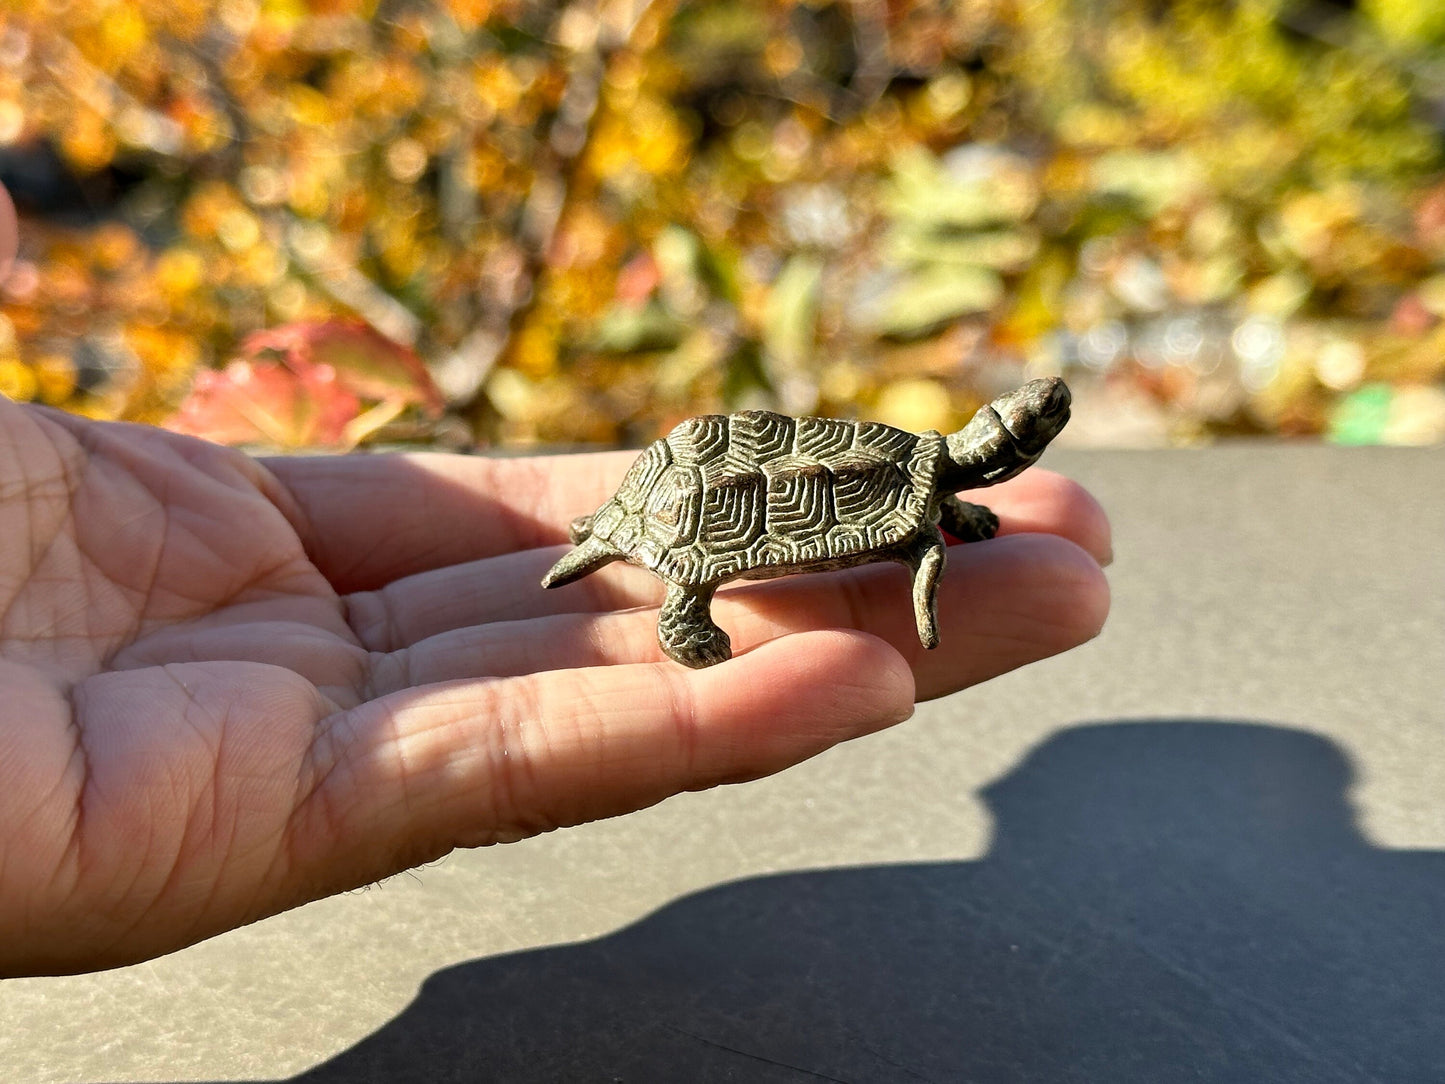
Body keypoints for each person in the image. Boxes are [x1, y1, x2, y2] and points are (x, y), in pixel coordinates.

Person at [0, 182, 1110, 977]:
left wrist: (944, 523)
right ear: (988, 444)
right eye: (1021, 420)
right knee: (731, 549)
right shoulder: (915, 490)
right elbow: (920, 562)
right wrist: (924, 571)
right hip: (717, 505)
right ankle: (680, 599)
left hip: (735, 476)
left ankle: (661, 559)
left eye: (1026, 423)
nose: (1023, 427)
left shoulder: (920, 484)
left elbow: (931, 521)